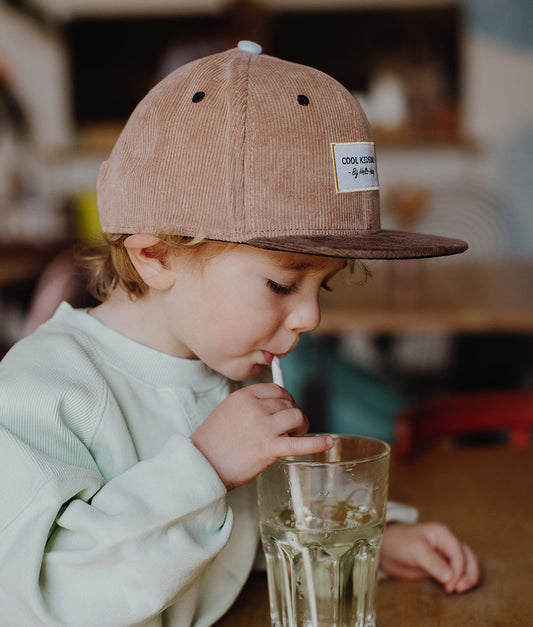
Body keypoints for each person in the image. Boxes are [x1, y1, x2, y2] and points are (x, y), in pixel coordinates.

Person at [0, 41, 479, 626]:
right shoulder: (41, 393)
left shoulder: (219, 367)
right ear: (155, 255)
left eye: (320, 287)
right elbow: (39, 597)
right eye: (282, 286)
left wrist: (382, 541)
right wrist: (204, 465)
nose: (311, 318)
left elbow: (237, 531)